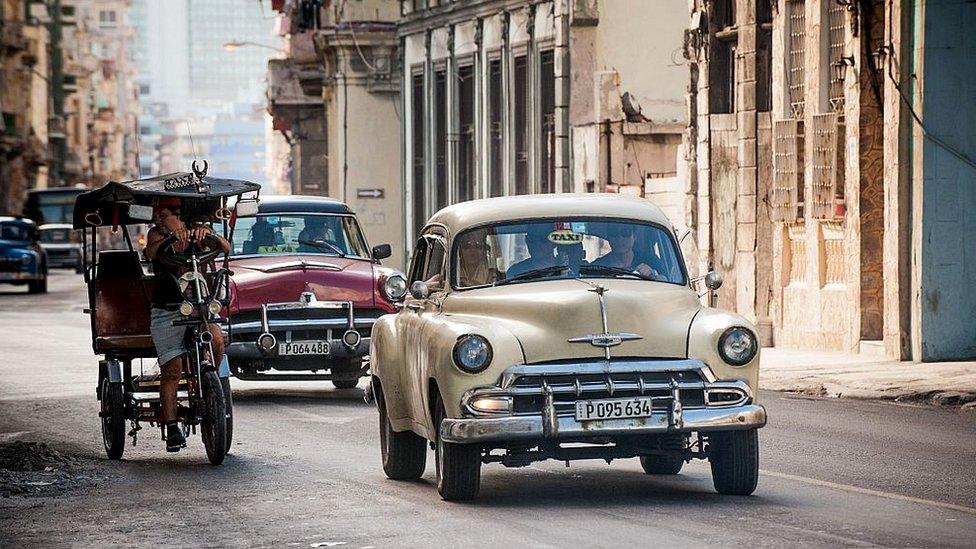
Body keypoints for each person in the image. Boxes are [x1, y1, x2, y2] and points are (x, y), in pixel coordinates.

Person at [144, 197, 230, 452]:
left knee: (216, 339)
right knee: (172, 370)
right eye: (156, 215)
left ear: (177, 215)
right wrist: (169, 238)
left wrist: (207, 235)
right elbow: (150, 253)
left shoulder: (198, 230)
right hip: (167, 309)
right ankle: (171, 427)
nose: (157, 219)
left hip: (202, 306)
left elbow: (225, 247)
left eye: (163, 215)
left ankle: (208, 380)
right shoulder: (154, 235)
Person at [591, 224, 663, 280]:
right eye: (614, 233)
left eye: (626, 232)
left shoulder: (650, 260)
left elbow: (668, 281)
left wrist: (653, 275)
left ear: (634, 236)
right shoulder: (598, 266)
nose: (620, 238)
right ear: (608, 237)